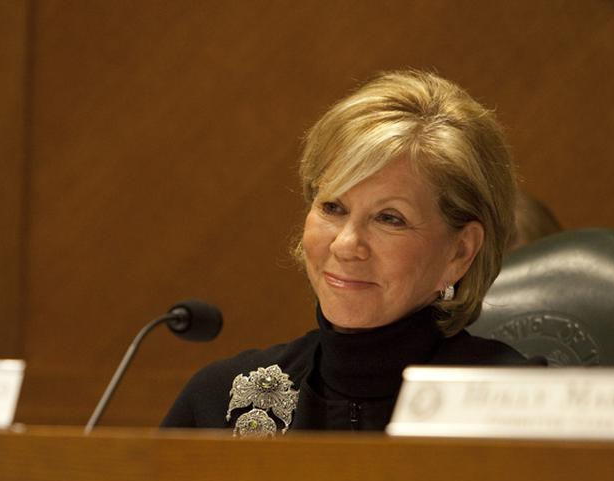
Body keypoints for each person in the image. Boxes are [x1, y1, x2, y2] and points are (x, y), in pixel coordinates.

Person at [162, 70, 531, 436]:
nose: (345, 244)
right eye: (333, 208)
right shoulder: (216, 405)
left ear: (460, 252)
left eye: (390, 218)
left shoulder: (525, 410)